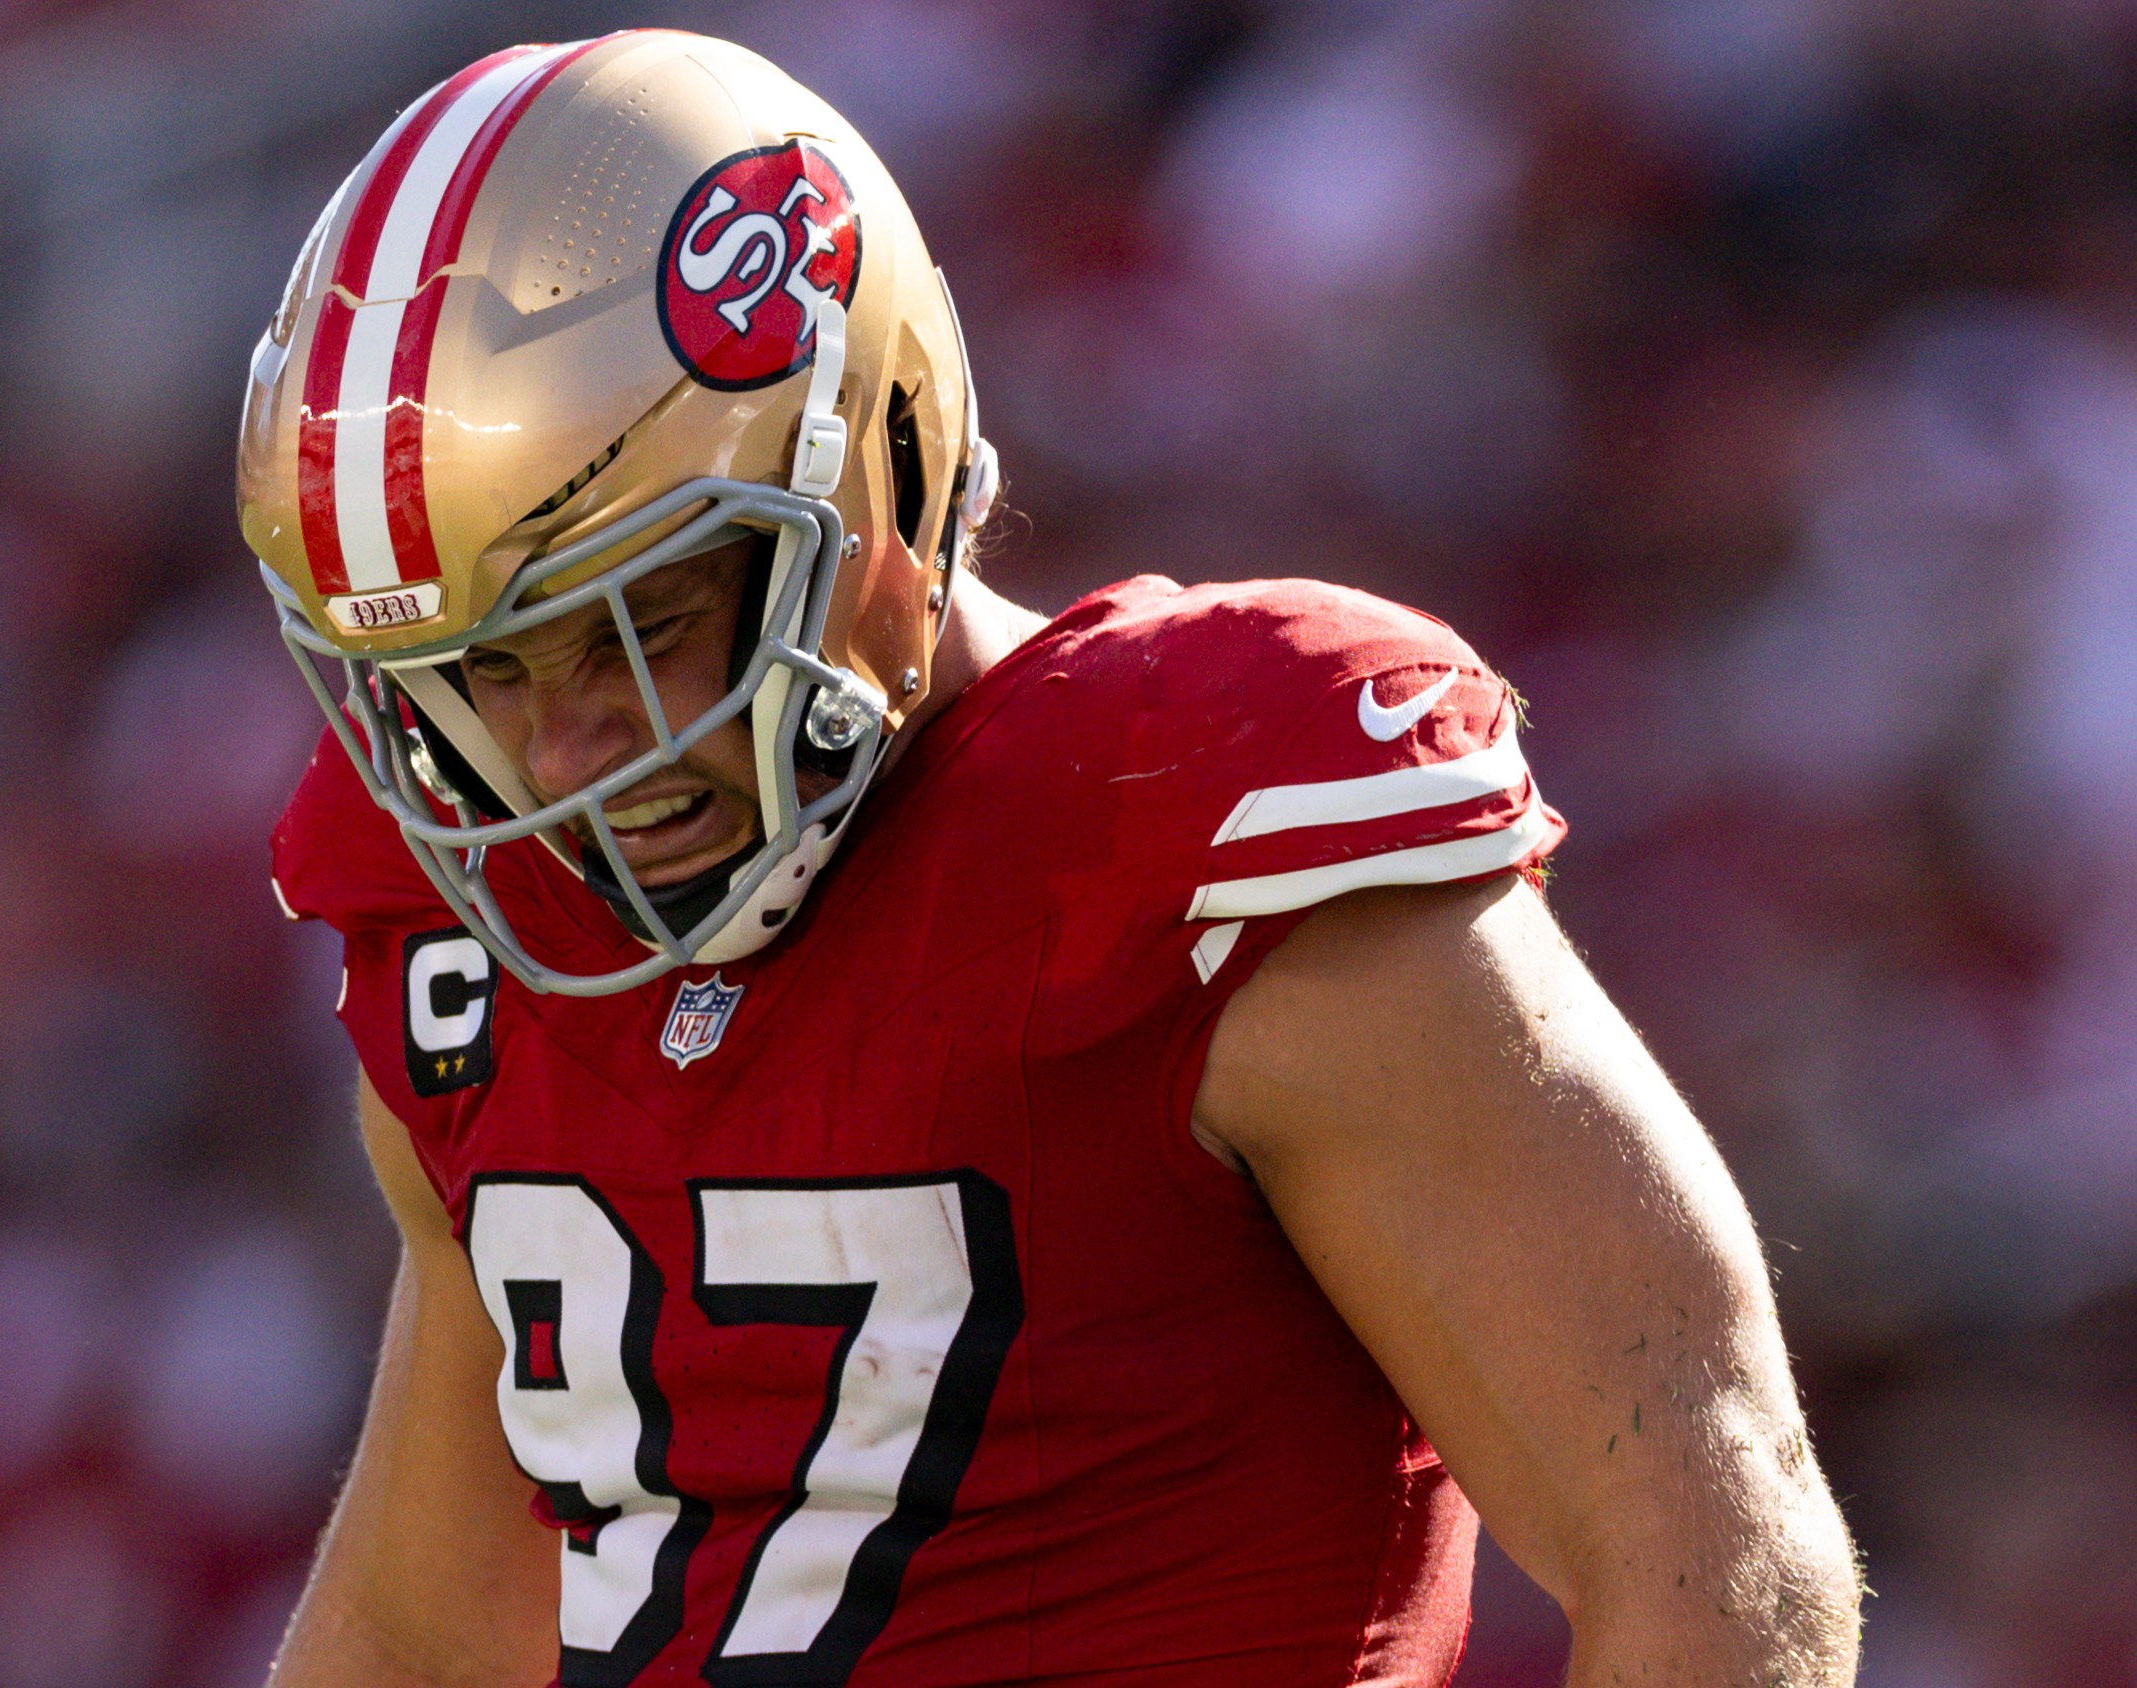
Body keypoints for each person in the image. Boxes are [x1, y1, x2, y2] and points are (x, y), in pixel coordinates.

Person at [239, 30, 1861, 1688]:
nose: (571, 754)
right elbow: (419, 1640)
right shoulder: (473, 913)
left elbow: (1710, 1548)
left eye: (639, 629)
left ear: (877, 458)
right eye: (484, 673)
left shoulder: (1187, 814)